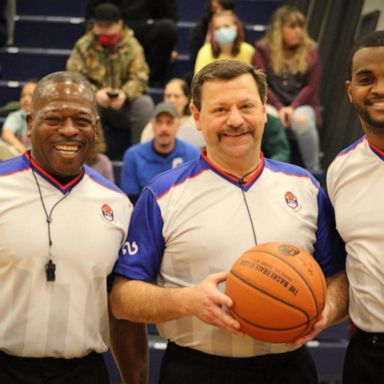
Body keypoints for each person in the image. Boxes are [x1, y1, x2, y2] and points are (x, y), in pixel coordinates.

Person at [110, 60, 348, 384]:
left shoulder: (305, 186)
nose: (235, 120)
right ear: (196, 116)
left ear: (264, 109)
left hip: (290, 369)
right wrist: (187, 301)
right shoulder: (161, 195)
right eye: (220, 109)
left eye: (246, 106)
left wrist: (326, 310)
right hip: (196, 369)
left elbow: (339, 277)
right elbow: (122, 299)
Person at [0, 71, 147, 383]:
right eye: (54, 118)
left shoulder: (118, 205)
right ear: (29, 124)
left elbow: (121, 312)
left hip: (84, 371)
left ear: (95, 126)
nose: (69, 130)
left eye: (81, 120)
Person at [326, 30, 384, 384]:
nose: (378, 88)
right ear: (350, 91)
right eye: (367, 79)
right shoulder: (339, 170)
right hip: (370, 355)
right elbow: (345, 266)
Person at [67, 2, 154, 160]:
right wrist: (94, 93)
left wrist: (124, 94)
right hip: (94, 104)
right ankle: (92, 160)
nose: (104, 31)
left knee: (144, 104)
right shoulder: (84, 46)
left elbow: (141, 77)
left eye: (108, 26)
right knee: (84, 104)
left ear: (119, 24)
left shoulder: (132, 46)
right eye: (100, 26)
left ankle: (140, 157)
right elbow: (74, 77)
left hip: (123, 106)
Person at [252, 5, 321, 172]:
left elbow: (311, 86)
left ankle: (315, 169)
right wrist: (281, 107)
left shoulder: (310, 50)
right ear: (279, 29)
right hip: (272, 102)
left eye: (300, 26)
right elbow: (262, 83)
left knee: (301, 120)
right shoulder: (262, 50)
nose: (298, 31)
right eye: (292, 26)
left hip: (302, 104)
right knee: (266, 116)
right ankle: (274, 167)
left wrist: (293, 107)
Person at [121, 102, 200, 203]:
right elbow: (130, 202)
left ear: (178, 126)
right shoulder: (133, 156)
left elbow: (195, 197)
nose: (164, 128)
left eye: (169, 122)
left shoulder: (193, 155)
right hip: (144, 214)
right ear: (152, 125)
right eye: (159, 122)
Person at [85, 0, 178, 86]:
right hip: (111, 26)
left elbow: (169, 13)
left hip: (142, 28)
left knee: (167, 29)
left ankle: (149, 80)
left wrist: (172, 48)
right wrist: (107, 27)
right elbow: (91, 16)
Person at [141, 78, 206, 148]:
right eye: (168, 96)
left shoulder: (197, 124)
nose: (172, 100)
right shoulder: (152, 126)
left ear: (187, 99)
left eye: (176, 96)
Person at [189, 0, 236, 71]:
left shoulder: (247, 49)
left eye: (224, 8)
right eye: (215, 8)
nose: (219, 12)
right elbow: (194, 62)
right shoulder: (199, 32)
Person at [1, 80, 36, 155]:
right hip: (20, 154)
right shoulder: (16, 116)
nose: (26, 99)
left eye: (31, 96)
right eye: (23, 96)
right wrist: (23, 152)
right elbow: (6, 134)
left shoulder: (44, 118)